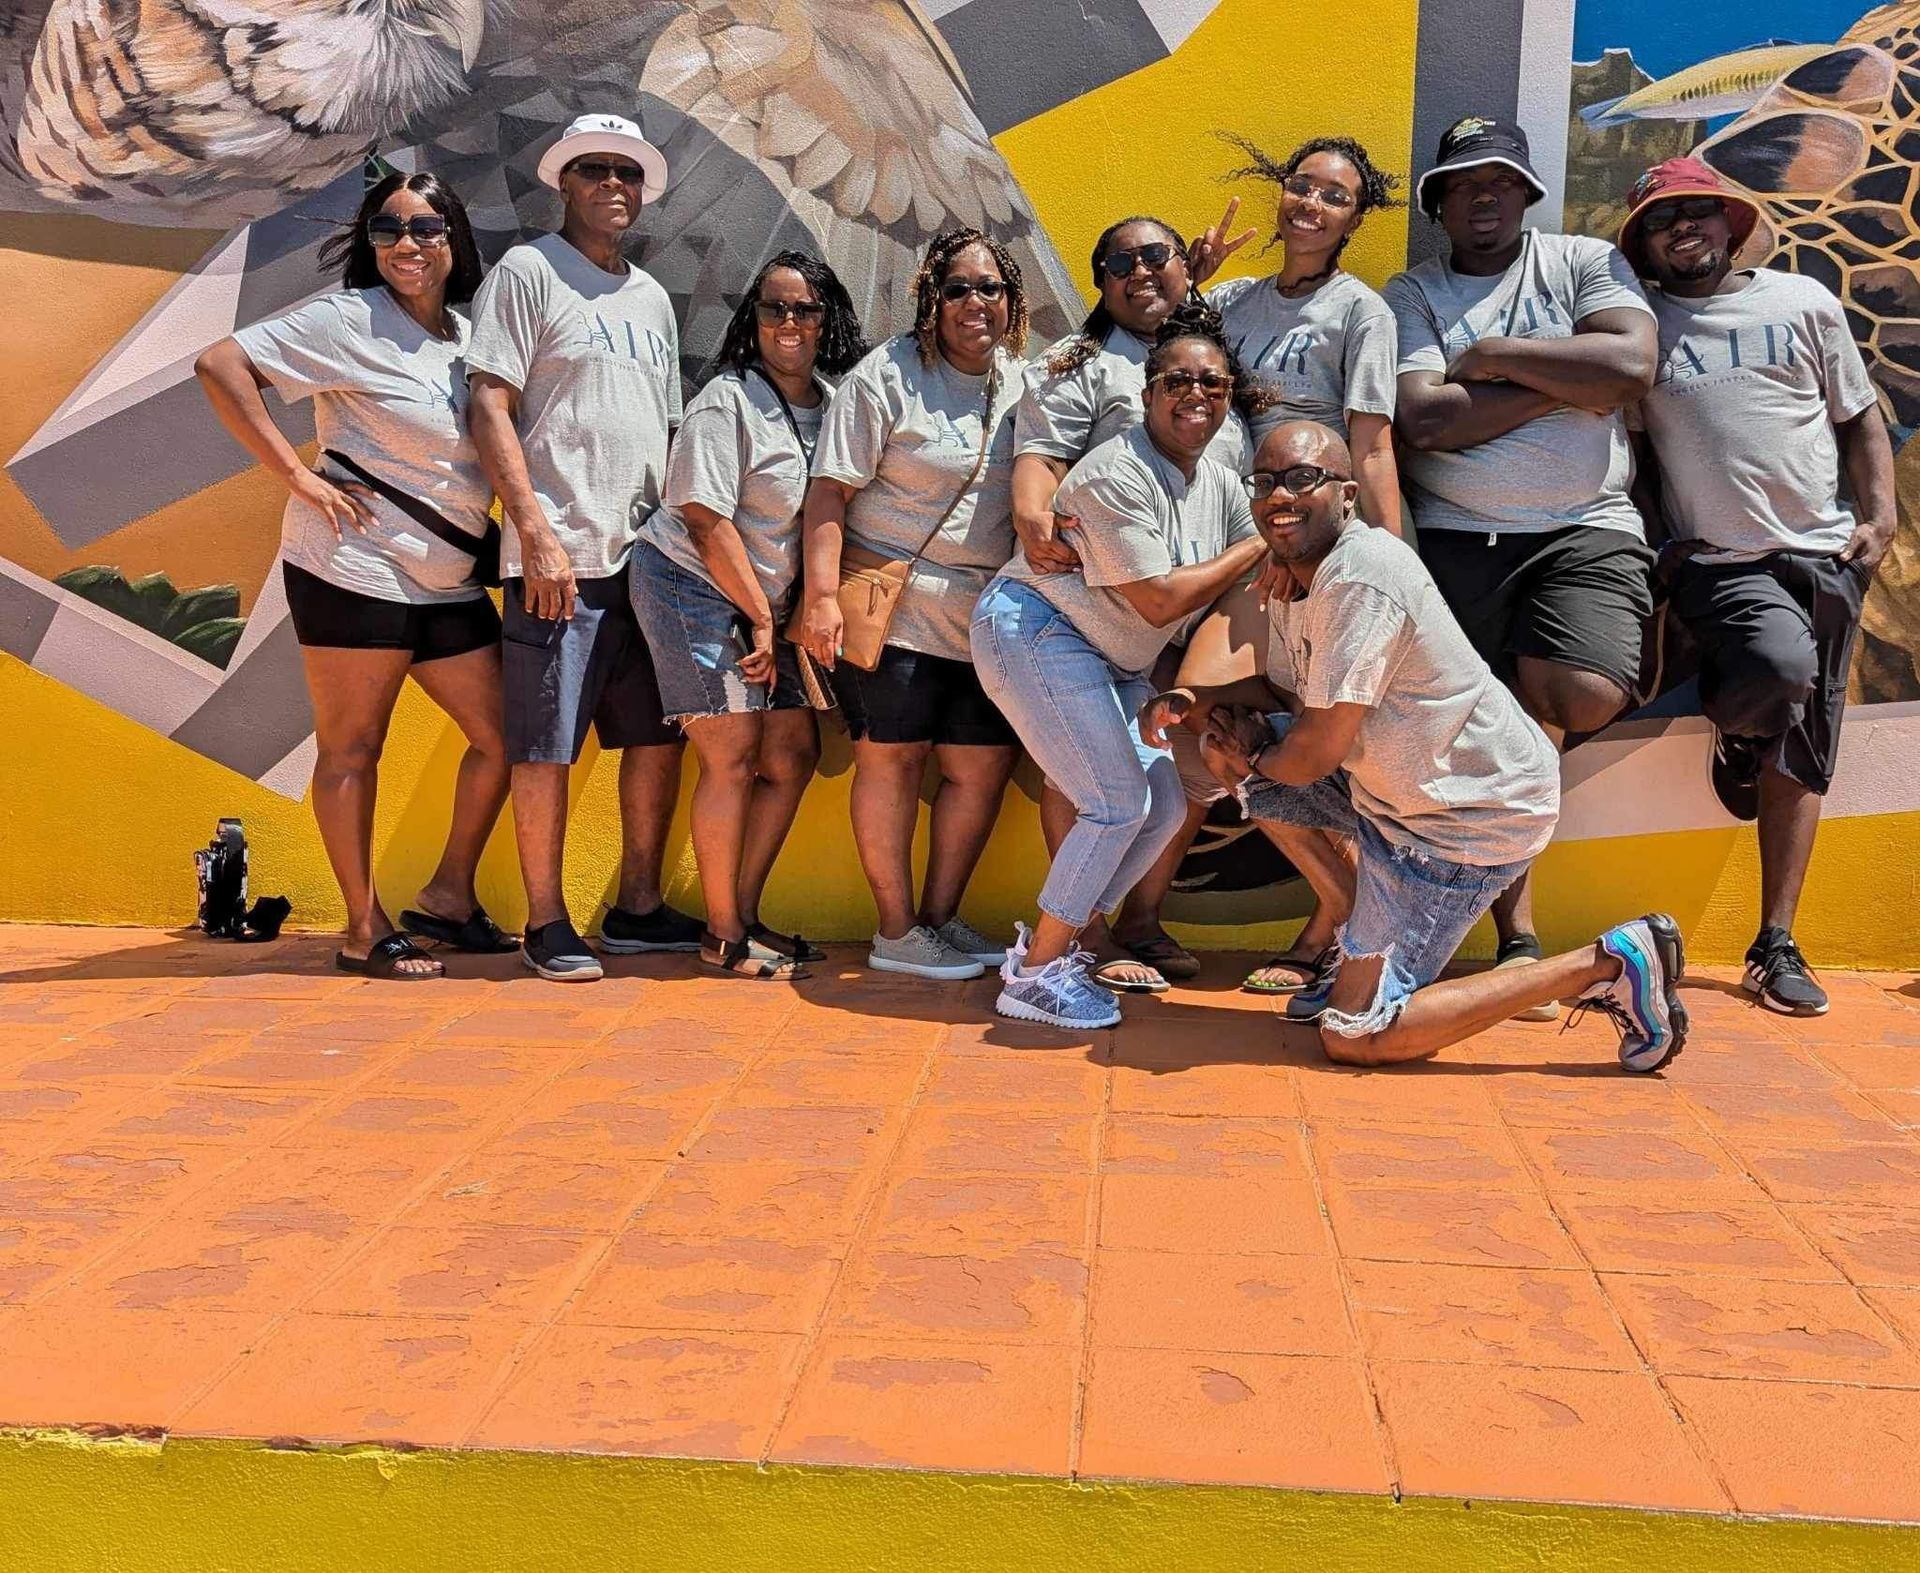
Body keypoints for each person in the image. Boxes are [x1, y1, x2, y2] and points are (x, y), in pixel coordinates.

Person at [1142, 421, 1689, 1070]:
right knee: (1224, 743)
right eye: (1264, 482)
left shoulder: (1361, 580)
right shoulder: (1297, 575)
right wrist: (1202, 708)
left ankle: (1607, 962)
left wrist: (1259, 756)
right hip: (1393, 798)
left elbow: (1314, 751)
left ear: (1348, 494)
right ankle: (1354, 927)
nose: (1279, 495)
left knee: (1354, 1033)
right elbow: (1296, 701)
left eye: (1302, 478)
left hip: (1466, 821)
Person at [195, 172, 511, 981]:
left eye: (426, 228)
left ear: (454, 240)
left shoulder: (469, 335)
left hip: (448, 578)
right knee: (353, 748)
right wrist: (296, 476)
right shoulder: (348, 319)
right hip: (354, 568)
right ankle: (364, 928)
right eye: (388, 229)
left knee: (510, 736)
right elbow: (221, 364)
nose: (408, 244)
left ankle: (448, 896)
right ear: (371, 244)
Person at [1383, 115, 1659, 1017]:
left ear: (1528, 192)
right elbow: (1426, 420)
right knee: (1470, 732)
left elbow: (1631, 365)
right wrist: (1568, 384)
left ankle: (1508, 935)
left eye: (1500, 180)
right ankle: (1517, 937)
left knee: (1576, 695)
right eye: (1463, 185)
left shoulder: (1583, 262)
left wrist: (1496, 359)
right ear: (1438, 203)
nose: (1484, 197)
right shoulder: (1411, 291)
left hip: (1583, 528)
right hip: (1452, 536)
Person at [1620, 158, 1896, 1017]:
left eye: (1699, 210)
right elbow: (1634, 457)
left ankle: (1774, 942)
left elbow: (1859, 417)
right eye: (1662, 219)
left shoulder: (1803, 302)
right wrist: (1661, 542)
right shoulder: (1638, 329)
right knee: (1780, 669)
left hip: (1826, 555)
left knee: (1806, 746)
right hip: (1716, 561)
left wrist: (1880, 519)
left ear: (1730, 223)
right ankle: (1739, 725)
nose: (1683, 227)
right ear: (1643, 244)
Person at [973, 304, 1272, 1027]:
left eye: (1213, 383)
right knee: (1114, 802)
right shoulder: (1116, 472)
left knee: (1162, 806)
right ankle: (1034, 972)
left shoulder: (1219, 483)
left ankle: (1062, 939)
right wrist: (1258, 542)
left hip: (1114, 661)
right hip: (1038, 630)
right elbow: (1159, 598)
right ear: (1147, 394)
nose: (1196, 394)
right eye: (1178, 382)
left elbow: (1247, 582)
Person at [465, 113, 697, 983]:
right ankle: (545, 920)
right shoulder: (528, 272)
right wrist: (532, 532)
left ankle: (637, 906)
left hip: (647, 566)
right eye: (594, 169)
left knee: (657, 739)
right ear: (563, 182)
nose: (613, 184)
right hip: (559, 559)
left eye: (627, 172)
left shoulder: (652, 298)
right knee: (546, 744)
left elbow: (668, 430)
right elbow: (489, 404)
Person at [1190, 133, 1407, 996]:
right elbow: (1166, 372)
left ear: (1354, 219)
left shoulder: (1362, 312)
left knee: (1335, 740)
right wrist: (1191, 283)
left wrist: (1386, 570)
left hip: (1316, 549)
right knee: (1216, 721)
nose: (1311, 204)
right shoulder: (1232, 301)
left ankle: (1333, 931)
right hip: (1240, 544)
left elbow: (1372, 445)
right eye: (1302, 186)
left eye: (1334, 196)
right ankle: (1347, 909)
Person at [1010, 214, 1249, 992]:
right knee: (1086, 777)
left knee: (1181, 777)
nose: (1139, 271)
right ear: (1100, 280)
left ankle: (1139, 916)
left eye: (1156, 257)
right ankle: (1086, 934)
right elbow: (1041, 455)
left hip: (1191, 612)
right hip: (1103, 605)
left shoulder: (1212, 353)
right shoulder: (1076, 362)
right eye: (1120, 263)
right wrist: (1033, 515)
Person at [630, 252, 869, 979]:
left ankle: (744, 910)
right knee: (732, 756)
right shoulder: (726, 401)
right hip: (693, 585)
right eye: (774, 307)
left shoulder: (835, 404)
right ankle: (724, 935)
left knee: (791, 754)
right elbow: (704, 520)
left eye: (806, 308)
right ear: (752, 318)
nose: (789, 322)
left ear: (828, 320)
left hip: (774, 604)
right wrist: (759, 618)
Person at [798, 228, 1029, 981]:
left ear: (1012, 300)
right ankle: (895, 930)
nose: (974, 302)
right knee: (892, 763)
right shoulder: (887, 376)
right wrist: (822, 597)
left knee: (982, 766)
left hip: (985, 618)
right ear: (932, 298)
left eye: (990, 288)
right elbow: (828, 492)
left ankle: (938, 917)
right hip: (892, 609)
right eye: (957, 288)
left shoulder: (1021, 381)